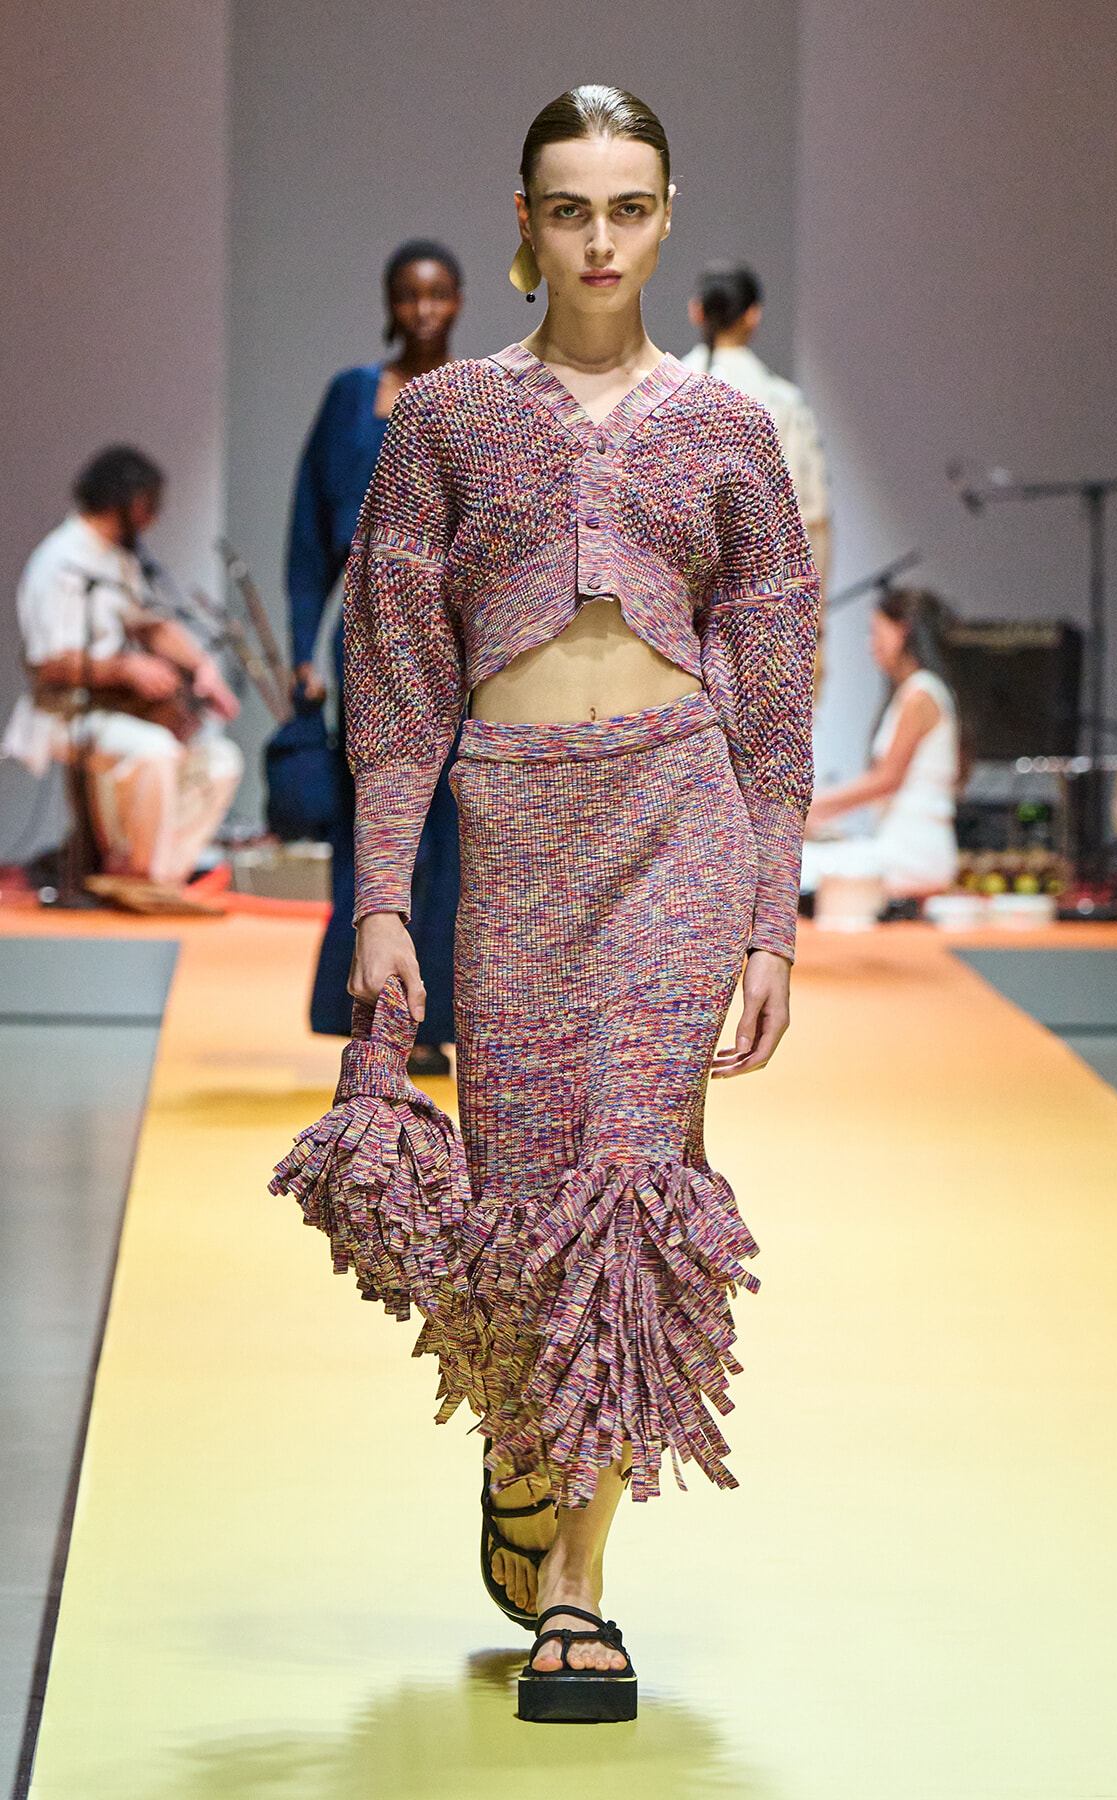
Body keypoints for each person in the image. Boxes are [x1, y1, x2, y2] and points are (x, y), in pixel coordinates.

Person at [274, 85, 818, 1721]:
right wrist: (379, 898)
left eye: (628, 207)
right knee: (521, 1195)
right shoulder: (444, 421)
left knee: (631, 1180)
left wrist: (768, 919)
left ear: (664, 219)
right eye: (568, 208)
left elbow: (777, 688)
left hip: (676, 815)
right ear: (525, 225)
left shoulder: (725, 433)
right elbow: (396, 676)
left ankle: (581, 1589)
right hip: (510, 838)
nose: (598, 239)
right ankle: (528, 1448)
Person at [287, 240, 464, 1069]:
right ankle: (369, 1017)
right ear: (390, 302)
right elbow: (307, 535)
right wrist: (300, 647)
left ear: (458, 300)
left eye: (436, 296)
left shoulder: (477, 399)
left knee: (452, 839)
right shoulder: (352, 398)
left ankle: (431, 1023)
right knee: (374, 834)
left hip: (458, 648)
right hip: (366, 647)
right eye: (407, 296)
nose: (422, 311)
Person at [2, 446, 241, 890]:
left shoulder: (118, 558)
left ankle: (155, 880)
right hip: (64, 713)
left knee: (220, 761)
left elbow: (150, 625)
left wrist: (202, 666)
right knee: (153, 751)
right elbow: (52, 662)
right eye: (151, 505)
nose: (153, 517)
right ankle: (137, 877)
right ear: (130, 503)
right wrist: (129, 670)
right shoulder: (60, 559)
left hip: (116, 712)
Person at [802, 588, 959, 898]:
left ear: (902, 631)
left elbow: (886, 781)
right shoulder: (916, 692)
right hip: (907, 844)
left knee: (799, 865)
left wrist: (810, 809)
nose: (870, 644)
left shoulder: (921, 693)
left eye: (876, 632)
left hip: (915, 850)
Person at [682, 261, 830, 591]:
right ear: (753, 315)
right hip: (761, 594)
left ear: (696, 311)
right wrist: (815, 621)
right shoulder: (783, 401)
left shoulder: (661, 394)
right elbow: (811, 517)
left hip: (676, 601)